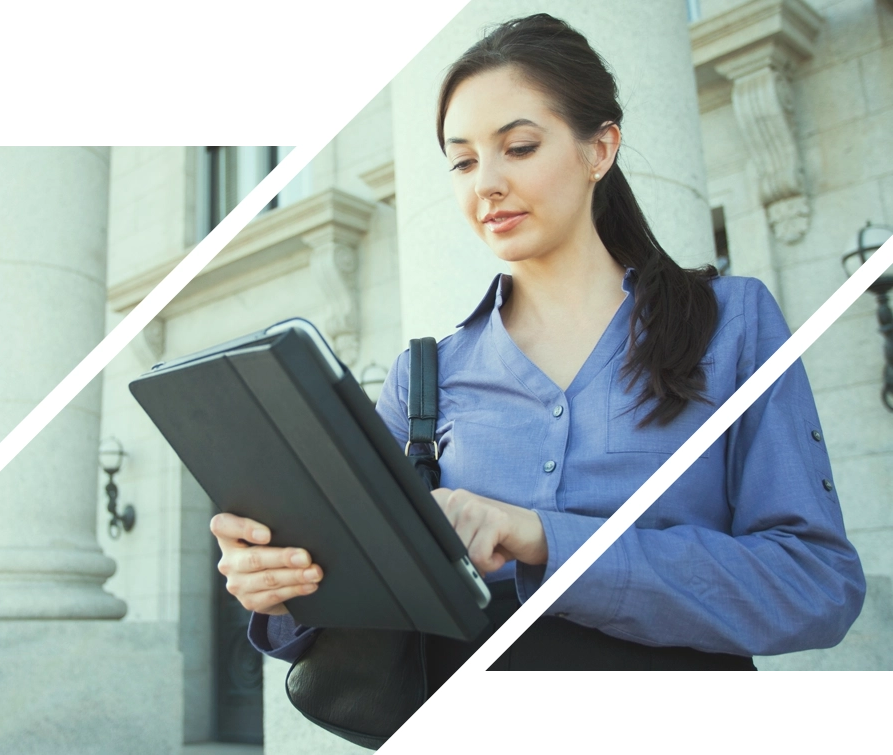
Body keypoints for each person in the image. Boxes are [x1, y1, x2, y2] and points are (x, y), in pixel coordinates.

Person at [210, 14, 865, 673]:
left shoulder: (731, 322)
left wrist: (544, 538)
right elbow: (367, 585)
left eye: (519, 147)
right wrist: (282, 583)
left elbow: (816, 583)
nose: (485, 183)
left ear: (599, 150)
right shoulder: (423, 377)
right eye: (463, 160)